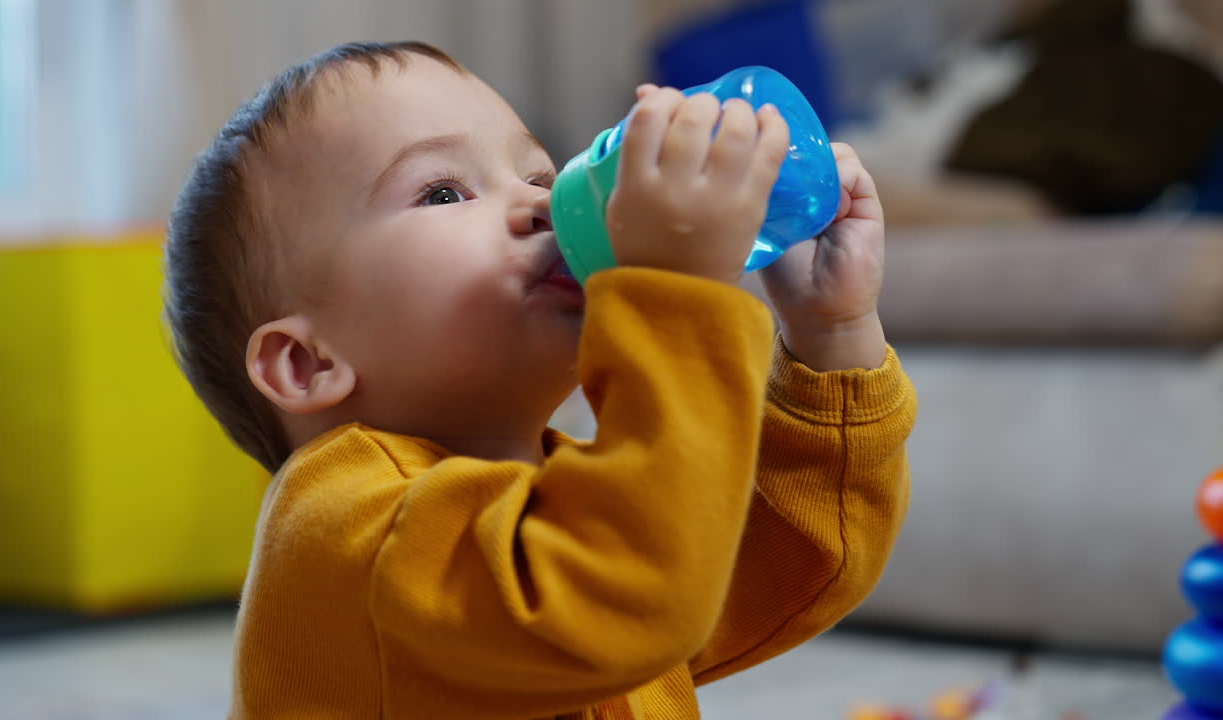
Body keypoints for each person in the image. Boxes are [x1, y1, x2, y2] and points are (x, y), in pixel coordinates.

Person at [163, 40, 916, 720]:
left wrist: (831, 336)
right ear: (308, 363)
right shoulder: (343, 527)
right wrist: (676, 295)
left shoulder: (589, 497)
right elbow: (630, 590)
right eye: (444, 192)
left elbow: (800, 560)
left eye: (539, 174)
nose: (540, 207)